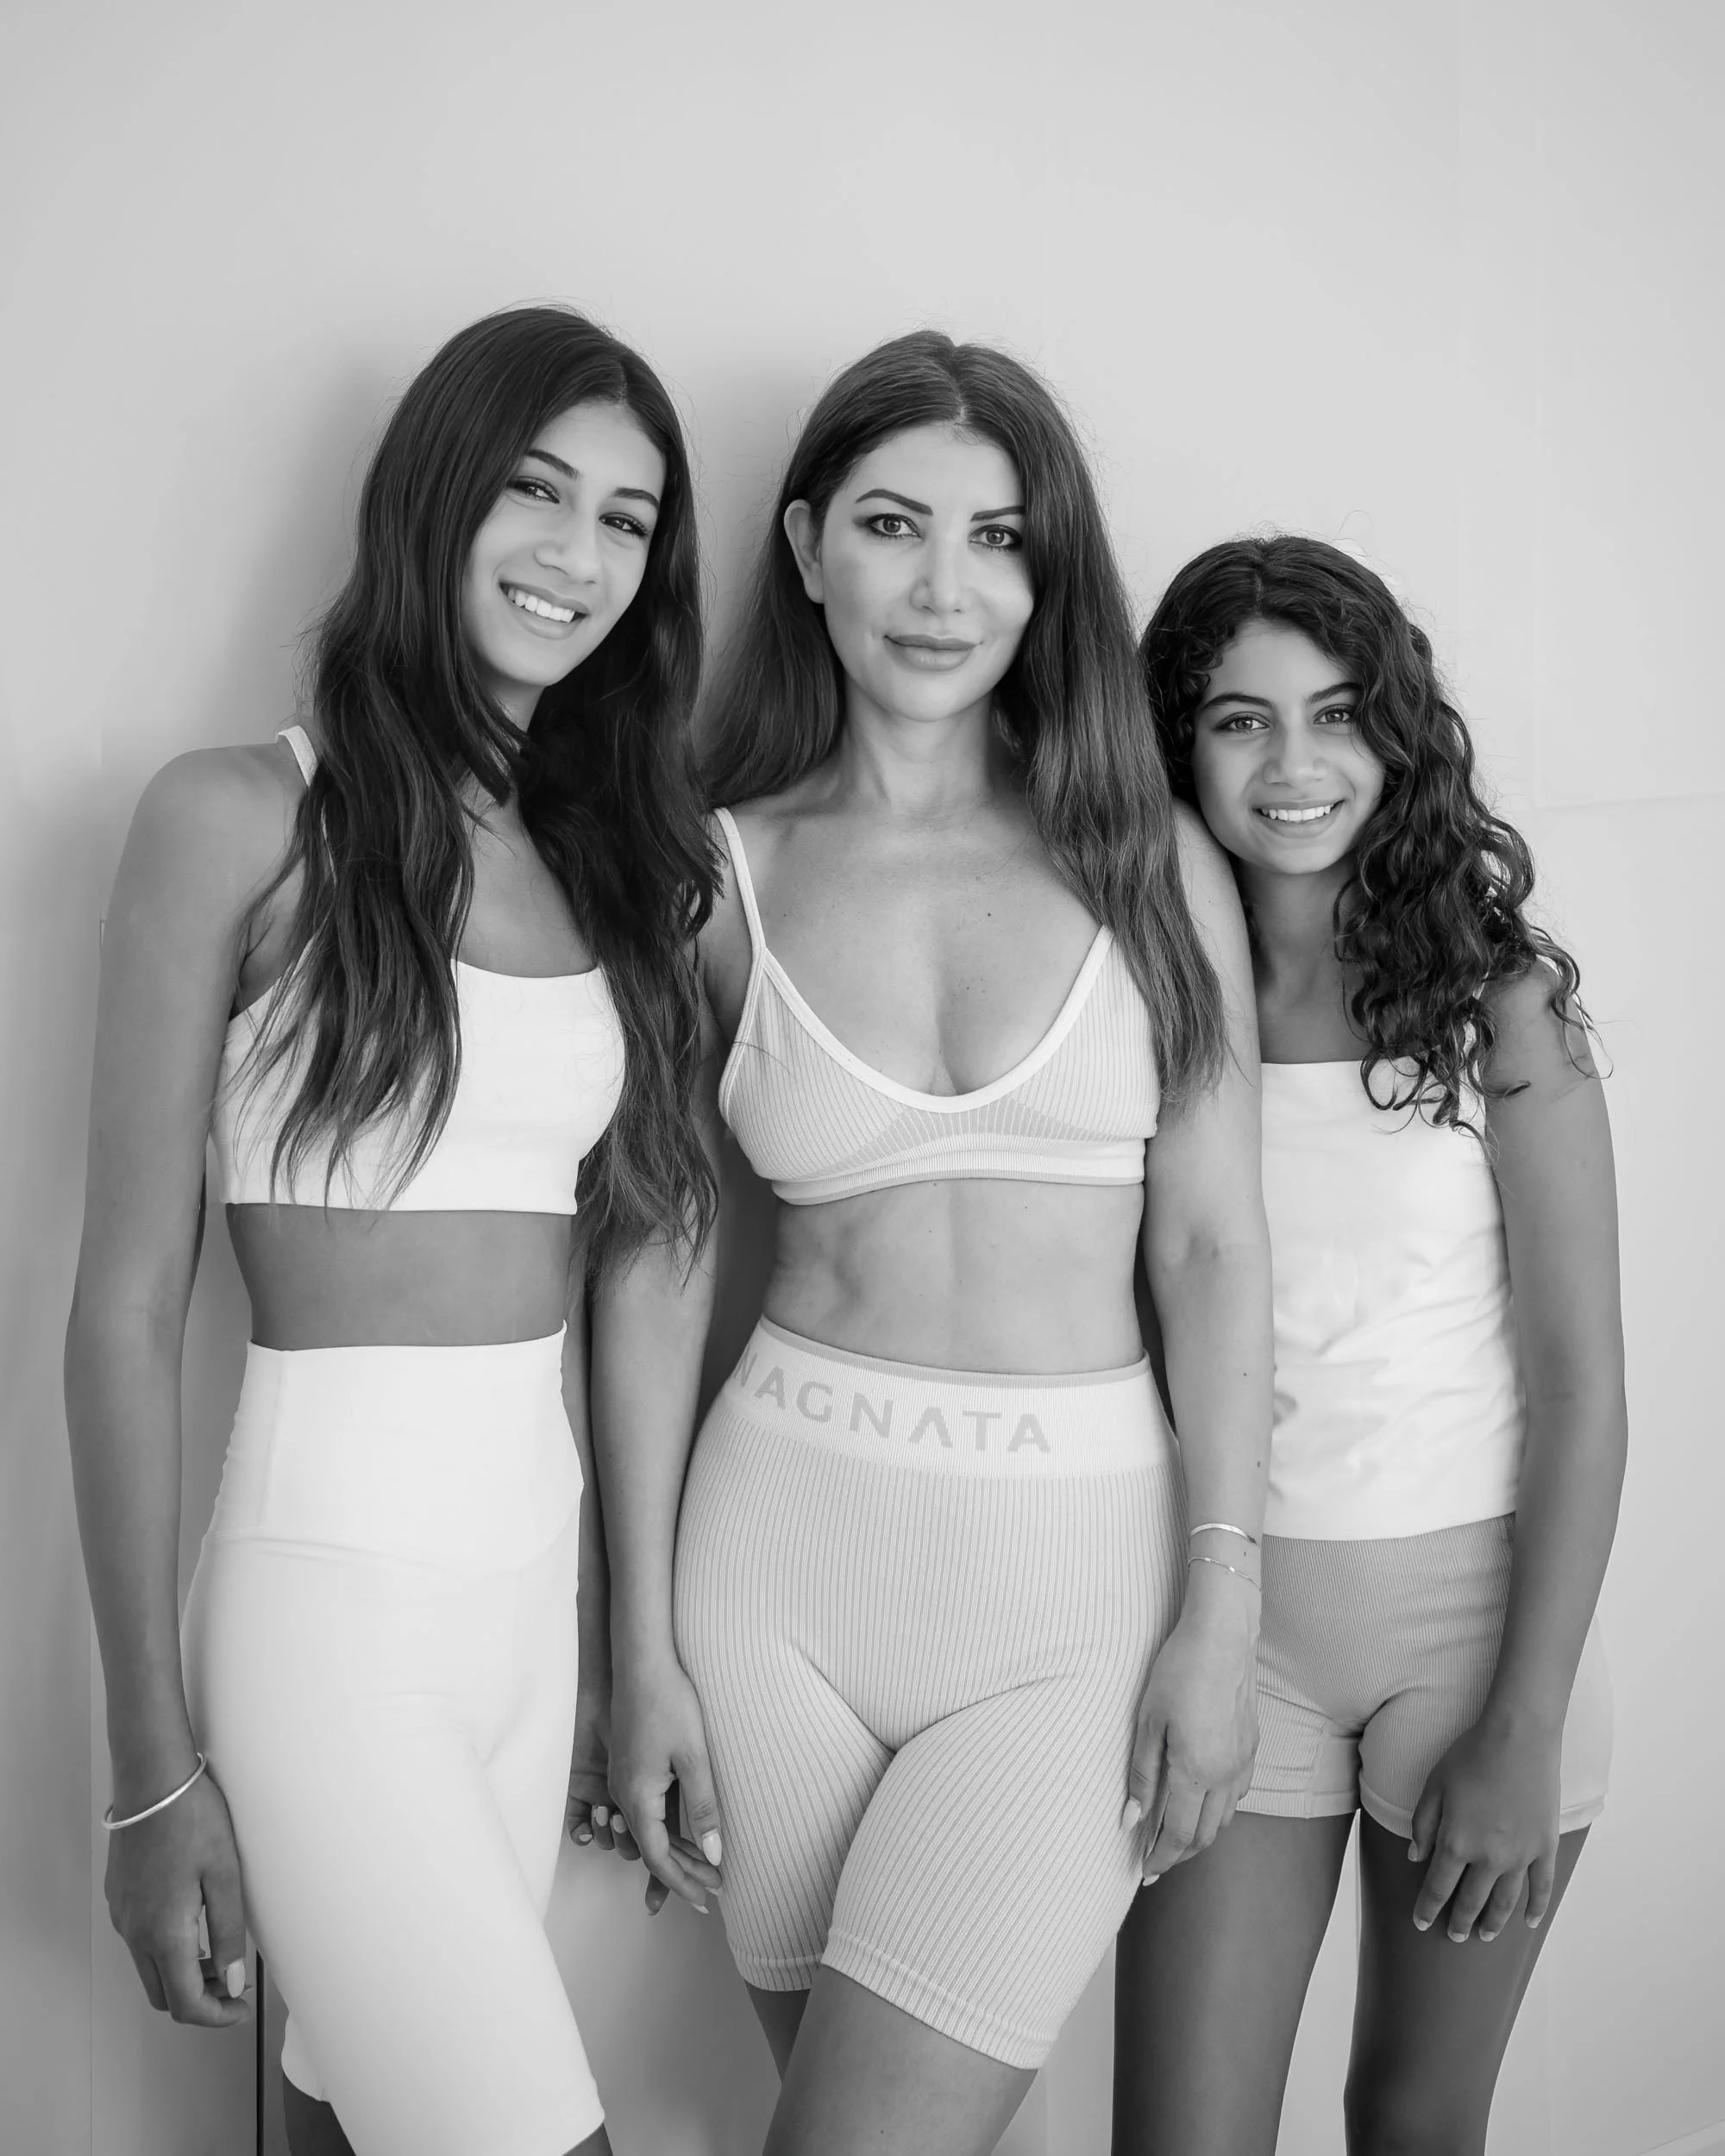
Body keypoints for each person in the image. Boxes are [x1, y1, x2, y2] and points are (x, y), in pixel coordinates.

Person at [594, 332, 1274, 2156]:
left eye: (996, 539)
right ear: (806, 544)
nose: (942, 585)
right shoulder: (710, 871)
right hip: (773, 1576)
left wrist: (1226, 1600)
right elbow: (656, 1254)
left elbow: (1212, 1250)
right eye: (893, 525)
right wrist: (636, 1635)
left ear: (1047, 579)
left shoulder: (1144, 860)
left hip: (1072, 1602)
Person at [63, 304, 720, 2156]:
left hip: (532, 1590)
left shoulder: (612, 856)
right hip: (325, 1604)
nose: (576, 554)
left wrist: (622, 1644)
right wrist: (146, 1768)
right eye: (533, 489)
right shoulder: (240, 817)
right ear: (432, 493)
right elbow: (124, 1305)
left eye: (625, 516)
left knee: (358, 2130)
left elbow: (648, 1250)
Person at [1114, 535, 1624, 2156]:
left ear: (1396, 737)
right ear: (1175, 742)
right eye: (1240, 721)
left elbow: (1584, 1384)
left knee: (1412, 2121)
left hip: (1473, 1639)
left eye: (1336, 715)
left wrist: (1525, 1722)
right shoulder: (1135, 1001)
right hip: (1230, 1623)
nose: (1295, 766)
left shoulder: (1499, 1005)